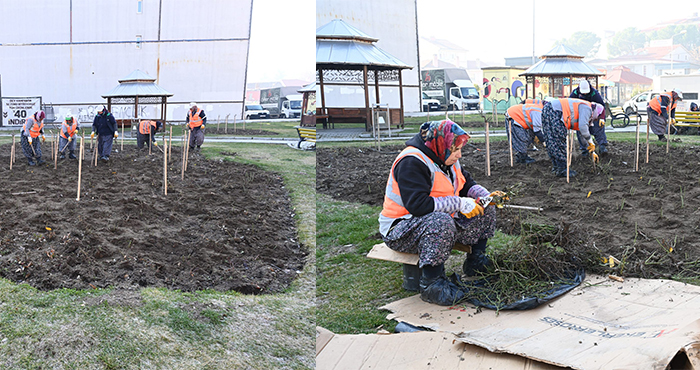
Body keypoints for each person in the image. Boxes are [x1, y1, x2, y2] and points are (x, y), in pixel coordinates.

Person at [378, 120, 505, 306]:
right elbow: (418, 206)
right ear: (440, 144)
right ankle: (432, 283)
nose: (459, 155)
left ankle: (475, 261)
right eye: (456, 150)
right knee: (440, 221)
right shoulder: (411, 162)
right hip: (401, 228)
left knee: (485, 207)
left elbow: (466, 184)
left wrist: (486, 197)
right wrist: (459, 203)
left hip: (429, 222)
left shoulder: (446, 157)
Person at [542, 98, 604, 177]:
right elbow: (583, 128)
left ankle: (557, 167)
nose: (595, 120)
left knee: (551, 140)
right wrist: (591, 142)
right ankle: (562, 169)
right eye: (597, 118)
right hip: (555, 111)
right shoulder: (587, 108)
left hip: (549, 109)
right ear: (596, 113)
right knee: (558, 140)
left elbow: (582, 134)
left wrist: (592, 150)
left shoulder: (585, 109)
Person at [570, 80, 609, 155]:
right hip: (581, 115)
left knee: (598, 129)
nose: (584, 93)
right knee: (581, 131)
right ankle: (585, 149)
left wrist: (602, 118)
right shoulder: (575, 93)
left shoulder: (594, 93)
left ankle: (602, 146)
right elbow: (570, 104)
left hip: (593, 115)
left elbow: (601, 106)